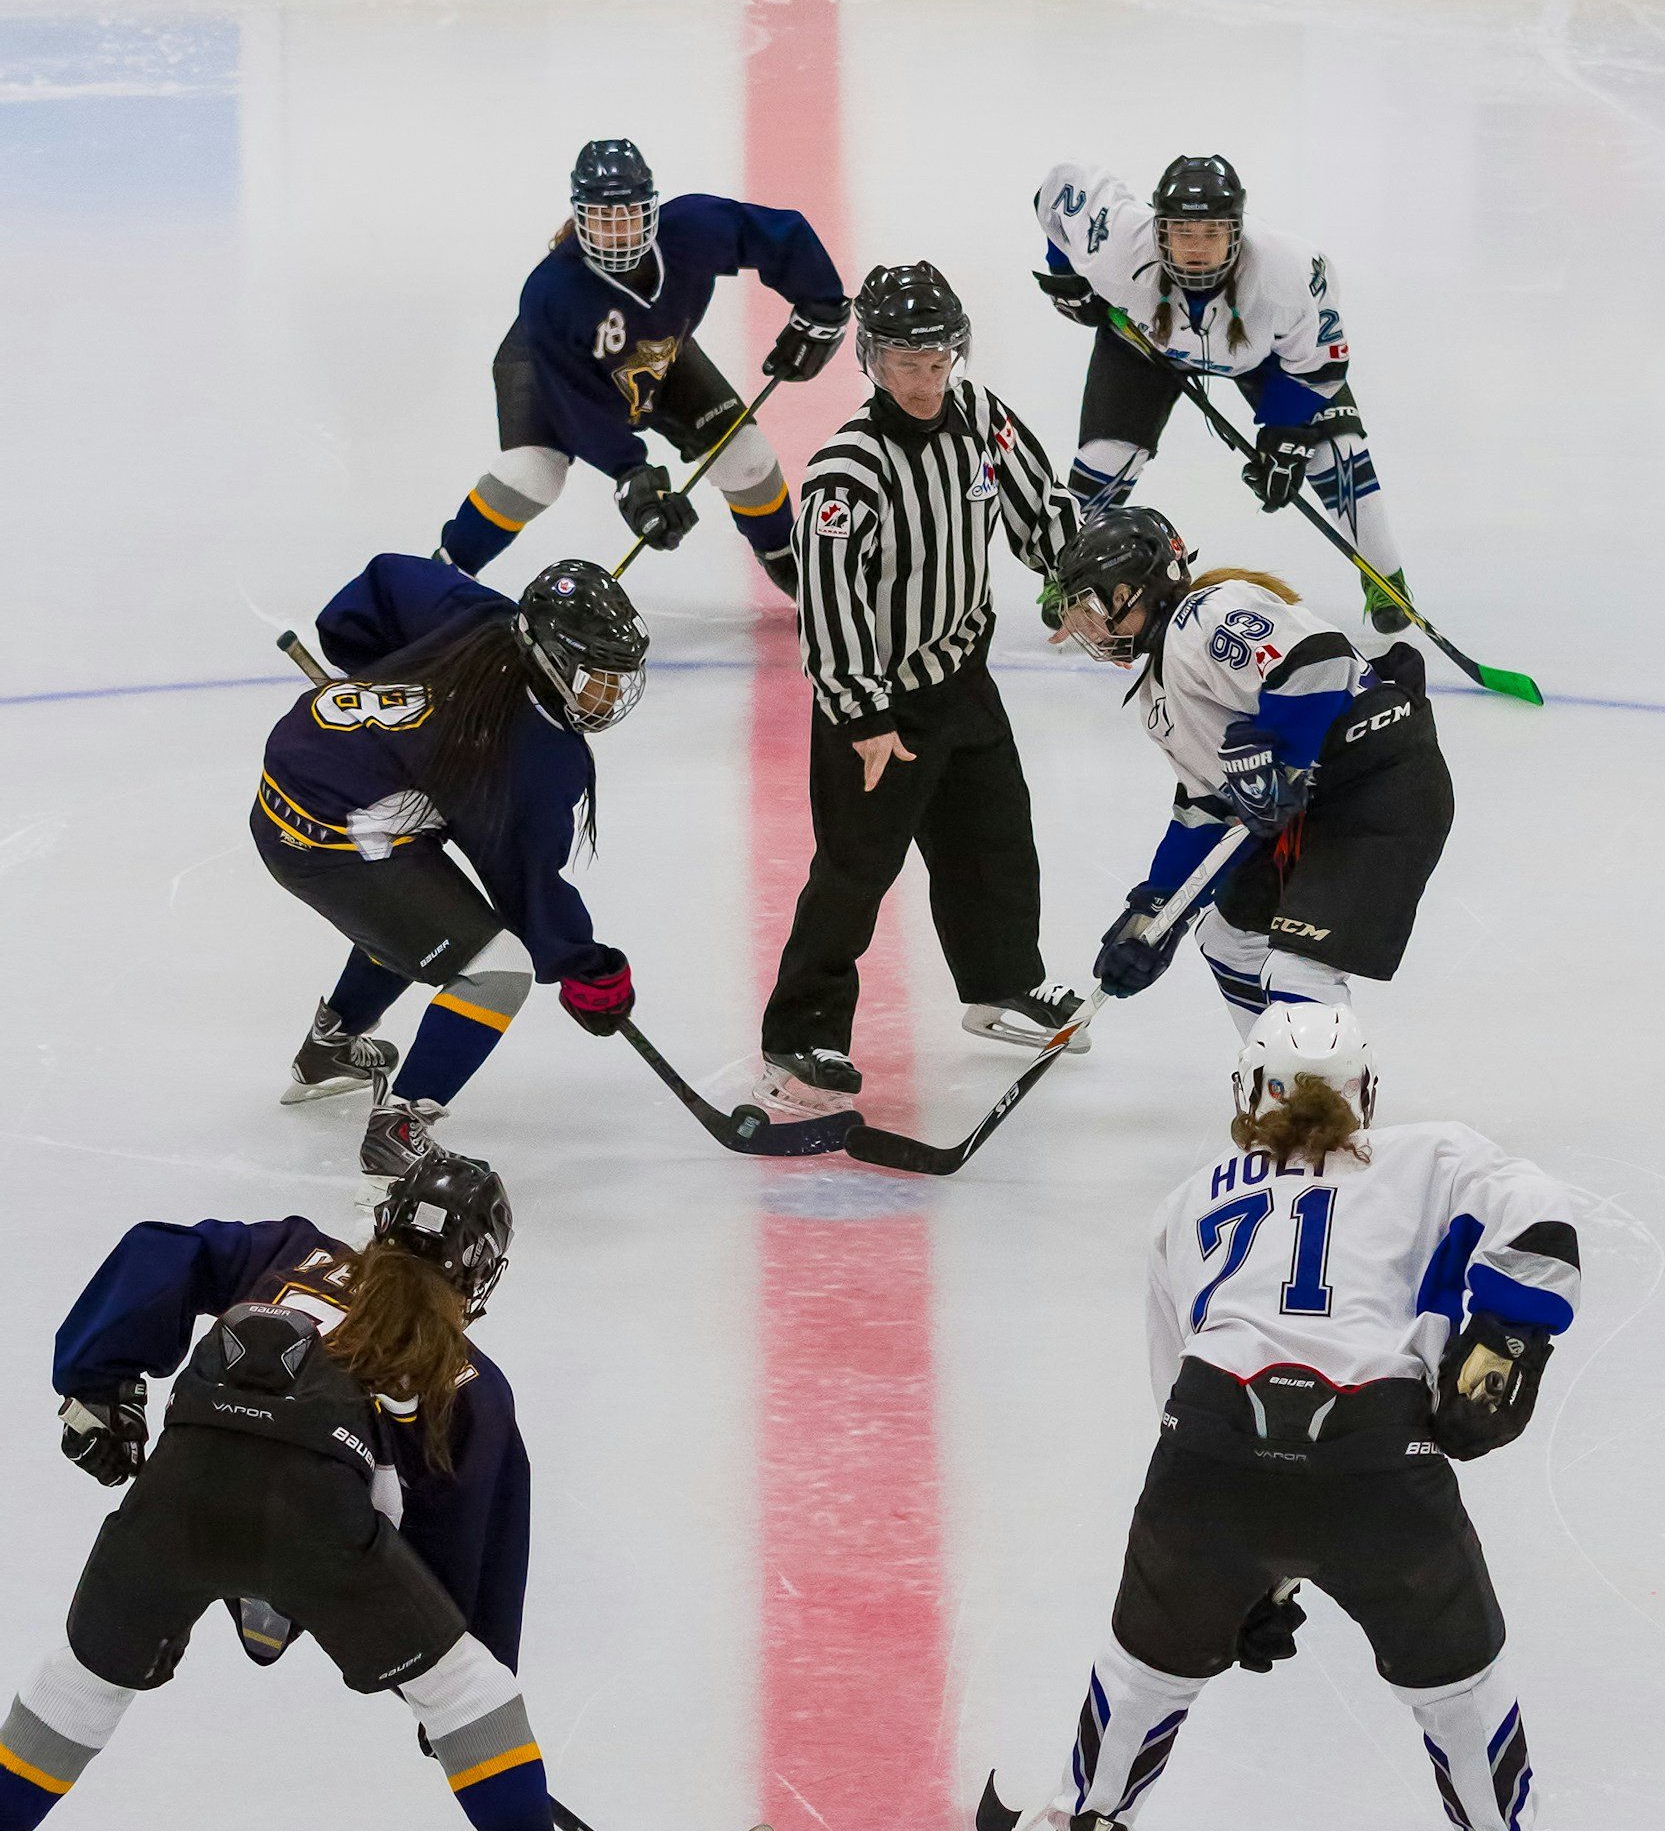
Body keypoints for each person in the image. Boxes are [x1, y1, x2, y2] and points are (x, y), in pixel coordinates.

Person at [1016, 1004, 1592, 1831]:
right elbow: (1543, 1221)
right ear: (1366, 1094)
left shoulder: (1187, 1200)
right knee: (1459, 1684)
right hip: (1377, 1459)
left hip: (1207, 1457)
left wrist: (1253, 1569)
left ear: (1247, 1094)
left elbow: (1179, 1404)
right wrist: (1510, 1333)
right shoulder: (1431, 1155)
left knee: (1146, 1669)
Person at [0, 1156, 618, 1831]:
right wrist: (442, 1697)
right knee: (468, 1689)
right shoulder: (469, 1380)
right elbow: (467, 1556)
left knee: (82, 1681)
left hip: (177, 1490)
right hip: (319, 1528)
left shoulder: (291, 1250)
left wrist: (96, 1387)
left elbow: (160, 1251)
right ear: (481, 1267)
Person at [755, 262, 1085, 1120]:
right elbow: (829, 610)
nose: (926, 378)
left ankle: (1003, 987)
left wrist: (1070, 579)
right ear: (870, 358)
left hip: (961, 676)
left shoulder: (980, 418)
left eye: (938, 358)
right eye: (906, 361)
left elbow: (1038, 505)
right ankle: (800, 1035)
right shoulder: (843, 476)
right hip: (879, 706)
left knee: (995, 835)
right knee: (857, 869)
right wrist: (862, 717)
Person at [256, 551, 647, 1184]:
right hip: (332, 835)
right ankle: (399, 1130)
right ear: (552, 655)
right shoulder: (538, 754)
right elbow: (527, 889)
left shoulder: (486, 616)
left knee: (427, 915)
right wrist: (585, 968)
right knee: (498, 969)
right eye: (595, 674)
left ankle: (330, 1047)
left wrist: (373, 671)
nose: (608, 694)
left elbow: (388, 578)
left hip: (303, 780)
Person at [1049, 507, 1452, 1033]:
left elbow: (1318, 660)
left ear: (1141, 589)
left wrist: (1283, 763)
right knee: (1228, 939)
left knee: (1297, 971)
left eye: (1097, 604)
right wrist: (1151, 918)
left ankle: (1322, 1109)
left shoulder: (1211, 612)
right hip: (1320, 804)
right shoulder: (1158, 694)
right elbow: (1206, 809)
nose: (1087, 624)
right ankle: (1276, 1089)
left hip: (1378, 787)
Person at [436, 138, 851, 600]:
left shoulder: (690, 229)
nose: (620, 230)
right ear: (580, 218)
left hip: (658, 354)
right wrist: (629, 473)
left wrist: (821, 305)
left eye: (630, 214)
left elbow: (779, 234)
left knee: (747, 457)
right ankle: (441, 577)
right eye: (603, 217)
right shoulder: (552, 292)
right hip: (547, 372)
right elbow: (575, 405)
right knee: (532, 473)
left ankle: (783, 559)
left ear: (650, 209)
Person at [1034, 155, 1410, 631]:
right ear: (1158, 229)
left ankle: (1386, 577)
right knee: (1107, 457)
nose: (1196, 249)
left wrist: (1285, 435)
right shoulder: (1117, 242)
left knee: (1337, 452)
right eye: (1183, 233)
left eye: (1212, 234)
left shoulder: (1287, 272)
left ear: (1237, 232)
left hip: (1265, 358)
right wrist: (1066, 272)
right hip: (1143, 342)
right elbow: (1061, 189)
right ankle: (1066, 572)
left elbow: (1320, 365)